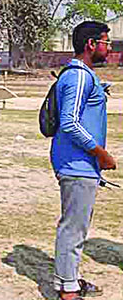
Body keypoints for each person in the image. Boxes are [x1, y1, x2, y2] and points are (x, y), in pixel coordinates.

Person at [51, 21, 117, 300]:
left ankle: (69, 281)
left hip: (82, 165)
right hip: (77, 164)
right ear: (91, 44)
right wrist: (99, 153)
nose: (109, 47)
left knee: (77, 226)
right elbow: (69, 122)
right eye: (106, 42)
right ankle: (67, 292)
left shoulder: (84, 76)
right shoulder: (78, 76)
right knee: (73, 228)